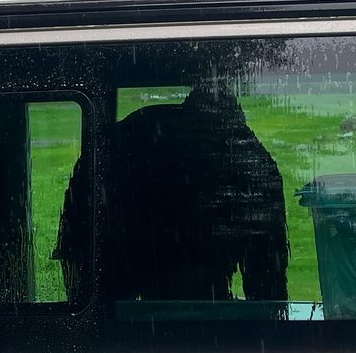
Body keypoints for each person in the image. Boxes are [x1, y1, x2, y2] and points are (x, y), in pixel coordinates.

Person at [56, 79, 288, 303]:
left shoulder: (129, 137)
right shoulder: (249, 161)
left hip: (118, 265)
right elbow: (269, 294)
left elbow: (76, 256)